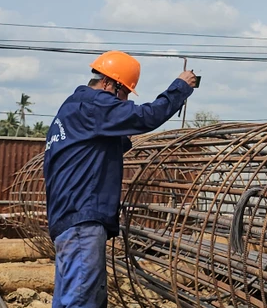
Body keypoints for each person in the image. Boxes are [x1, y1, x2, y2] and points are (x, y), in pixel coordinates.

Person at [42, 50, 198, 308]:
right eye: (124, 93)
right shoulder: (95, 105)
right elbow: (145, 116)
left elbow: (99, 145)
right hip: (83, 220)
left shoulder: (72, 109)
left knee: (75, 298)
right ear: (107, 84)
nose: (124, 102)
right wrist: (180, 88)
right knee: (82, 301)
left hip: (69, 220)